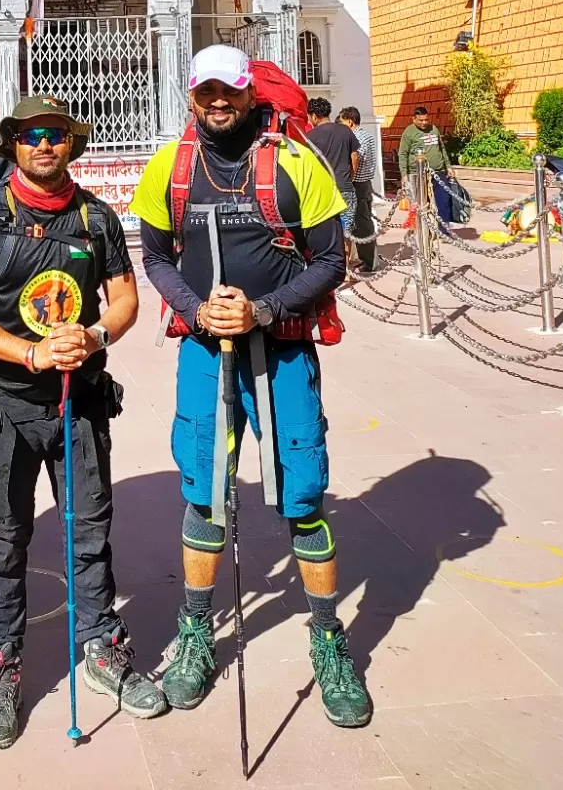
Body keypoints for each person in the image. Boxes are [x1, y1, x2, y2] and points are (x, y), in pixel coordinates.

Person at [130, 45, 373, 728]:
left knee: (300, 495)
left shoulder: (295, 163)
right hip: (207, 349)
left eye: (228, 92)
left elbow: (331, 259)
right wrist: (197, 308)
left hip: (284, 347)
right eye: (205, 92)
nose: (217, 104)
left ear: (247, 93)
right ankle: (195, 635)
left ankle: (328, 641)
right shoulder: (171, 167)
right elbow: (152, 255)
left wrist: (263, 310)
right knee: (204, 494)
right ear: (190, 95)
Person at [0, 96, 167, 748]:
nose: (46, 145)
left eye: (58, 136)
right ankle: (4, 664)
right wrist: (30, 352)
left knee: (89, 530)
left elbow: (124, 298)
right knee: (4, 539)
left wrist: (94, 336)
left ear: (72, 144)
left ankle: (101, 643)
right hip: (8, 404)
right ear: (14, 142)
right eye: (33, 135)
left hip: (79, 403)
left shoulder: (94, 218)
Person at [306, 98, 360, 235]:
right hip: (345, 188)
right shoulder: (346, 131)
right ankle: (346, 257)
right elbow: (355, 156)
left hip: (322, 192)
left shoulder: (310, 136)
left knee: (327, 233)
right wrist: (350, 177)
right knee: (346, 233)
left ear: (314, 116)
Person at [397, 103, 454, 223]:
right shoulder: (409, 132)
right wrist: (404, 174)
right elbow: (403, 154)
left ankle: (444, 230)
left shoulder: (433, 129)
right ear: (414, 119)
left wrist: (448, 166)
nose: (424, 123)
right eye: (421, 120)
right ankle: (422, 229)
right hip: (417, 174)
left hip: (438, 172)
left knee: (443, 200)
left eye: (426, 120)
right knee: (421, 204)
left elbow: (441, 148)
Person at [337, 108, 378, 273]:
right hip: (365, 183)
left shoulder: (357, 137)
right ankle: (365, 258)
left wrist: (350, 179)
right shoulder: (367, 135)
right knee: (360, 222)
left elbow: (355, 158)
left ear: (350, 121)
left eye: (342, 122)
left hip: (358, 185)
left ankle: (370, 262)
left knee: (363, 224)